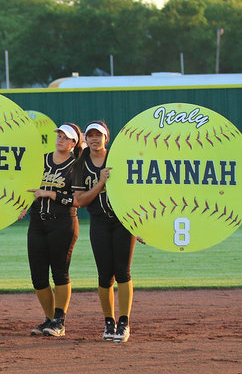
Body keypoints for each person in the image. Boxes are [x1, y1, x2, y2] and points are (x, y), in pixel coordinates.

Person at [71, 121, 141, 343]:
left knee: (123, 272)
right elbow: (79, 200)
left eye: (98, 135)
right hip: (99, 221)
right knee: (104, 275)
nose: (94, 138)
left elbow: (135, 192)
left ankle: (124, 322)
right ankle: (108, 321)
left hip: (122, 222)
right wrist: (100, 183)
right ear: (85, 139)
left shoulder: (118, 159)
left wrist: (140, 224)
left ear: (106, 138)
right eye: (90, 135)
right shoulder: (81, 164)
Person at [20, 123, 82, 338]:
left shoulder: (77, 165)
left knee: (60, 273)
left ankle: (59, 320)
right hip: (37, 222)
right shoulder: (41, 161)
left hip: (63, 223)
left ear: (74, 143)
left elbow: (79, 200)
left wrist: (52, 195)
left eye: (66, 137)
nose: (60, 139)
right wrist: (21, 206)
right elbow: (27, 187)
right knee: (38, 276)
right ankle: (49, 319)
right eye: (59, 135)